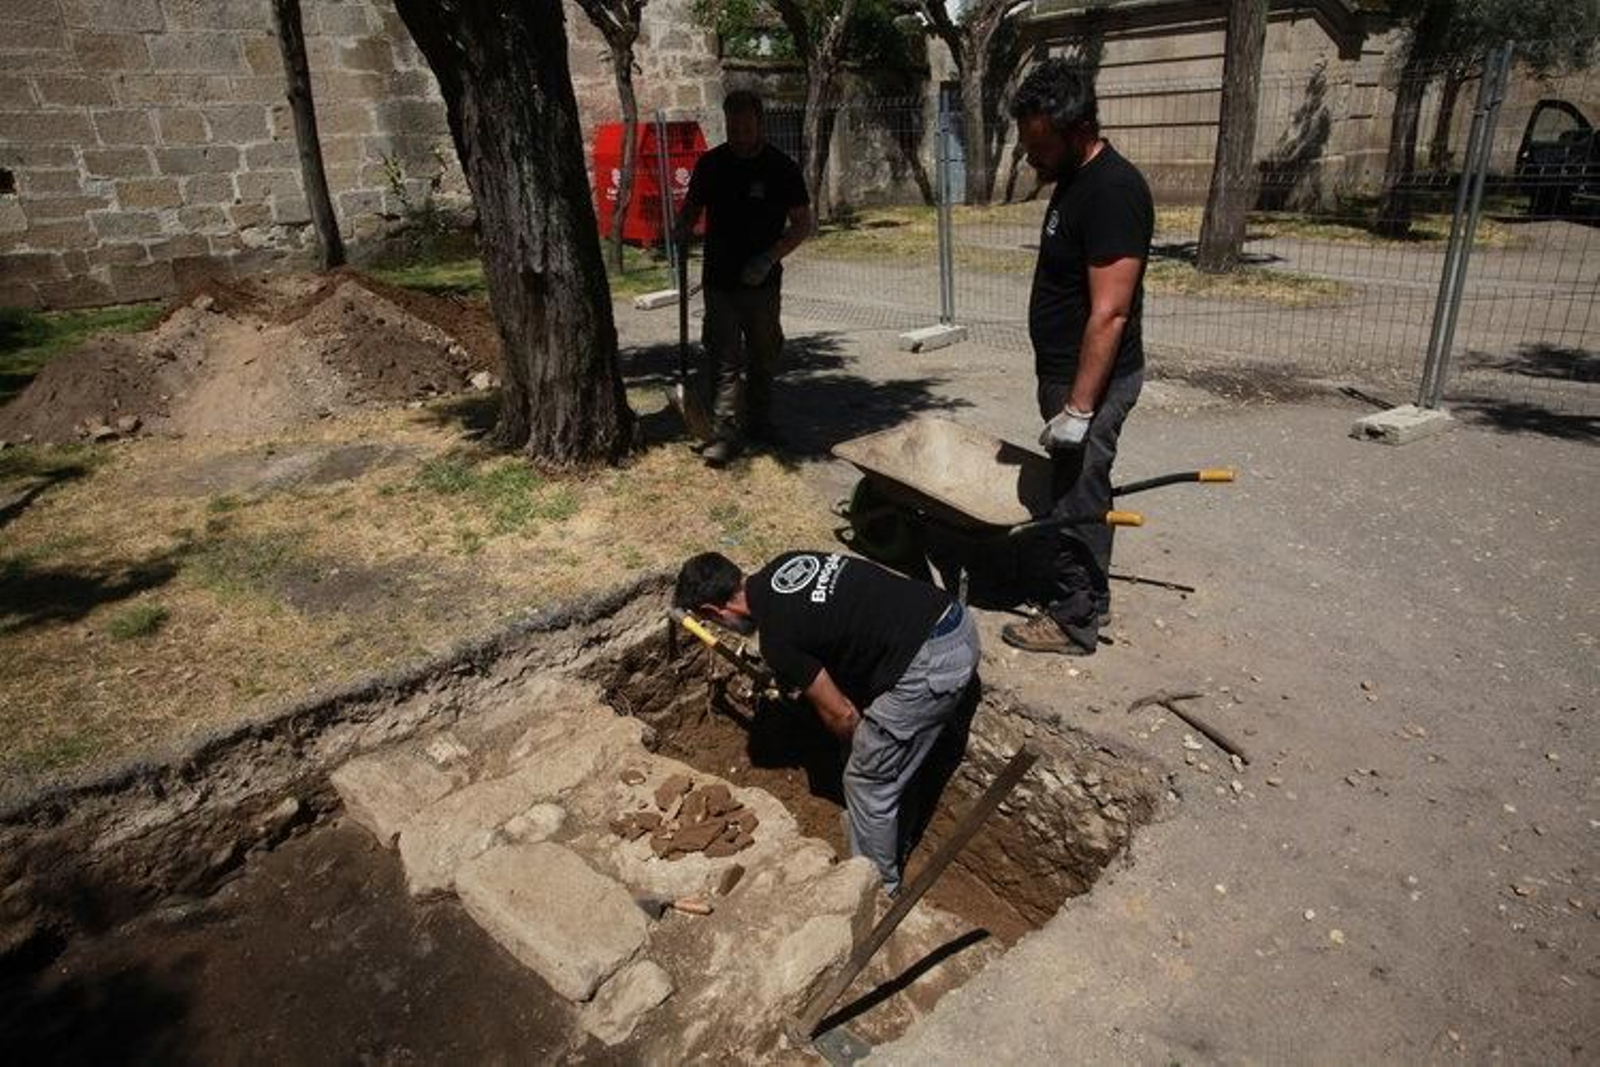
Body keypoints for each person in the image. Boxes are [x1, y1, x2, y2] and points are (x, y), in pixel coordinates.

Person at [673, 550, 980, 894]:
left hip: (934, 665)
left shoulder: (778, 638)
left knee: (866, 780)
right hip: (952, 618)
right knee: (878, 754)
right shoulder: (786, 563)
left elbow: (844, 714)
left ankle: (876, 891)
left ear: (714, 612)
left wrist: (852, 750)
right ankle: (897, 819)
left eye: (714, 622)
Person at [1000, 59, 1153, 657]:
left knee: (1077, 493)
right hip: (1068, 376)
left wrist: (1079, 408)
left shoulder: (1113, 192)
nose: (1029, 158)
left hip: (1091, 385)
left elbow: (1110, 312)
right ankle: (1087, 593)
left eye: (1038, 146)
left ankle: (1073, 619)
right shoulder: (1074, 177)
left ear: (1077, 131)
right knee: (1082, 488)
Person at [675, 90, 812, 467]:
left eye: (746, 128)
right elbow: (693, 207)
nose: (739, 136)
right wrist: (683, 225)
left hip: (762, 283)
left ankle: (761, 422)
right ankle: (724, 432)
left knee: (764, 354)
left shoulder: (781, 169)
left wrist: (770, 258)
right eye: (733, 129)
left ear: (760, 124)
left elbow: (803, 224)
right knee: (723, 357)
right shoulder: (711, 165)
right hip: (719, 279)